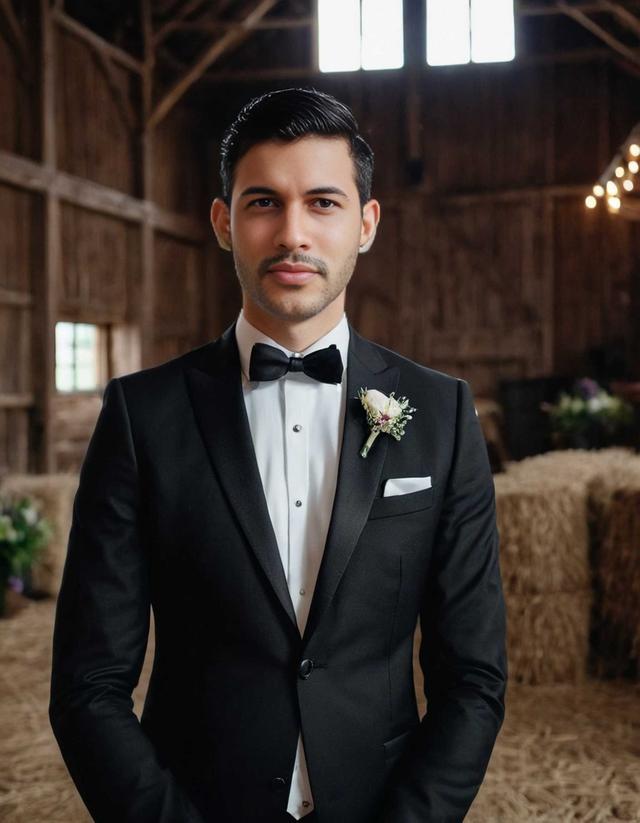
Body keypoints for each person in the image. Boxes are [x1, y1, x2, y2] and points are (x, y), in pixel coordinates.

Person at [49, 87, 507, 823]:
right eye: (264, 202)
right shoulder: (142, 415)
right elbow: (88, 684)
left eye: (323, 203)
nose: (292, 233)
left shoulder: (443, 414)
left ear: (366, 223)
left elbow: (475, 677)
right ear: (225, 223)